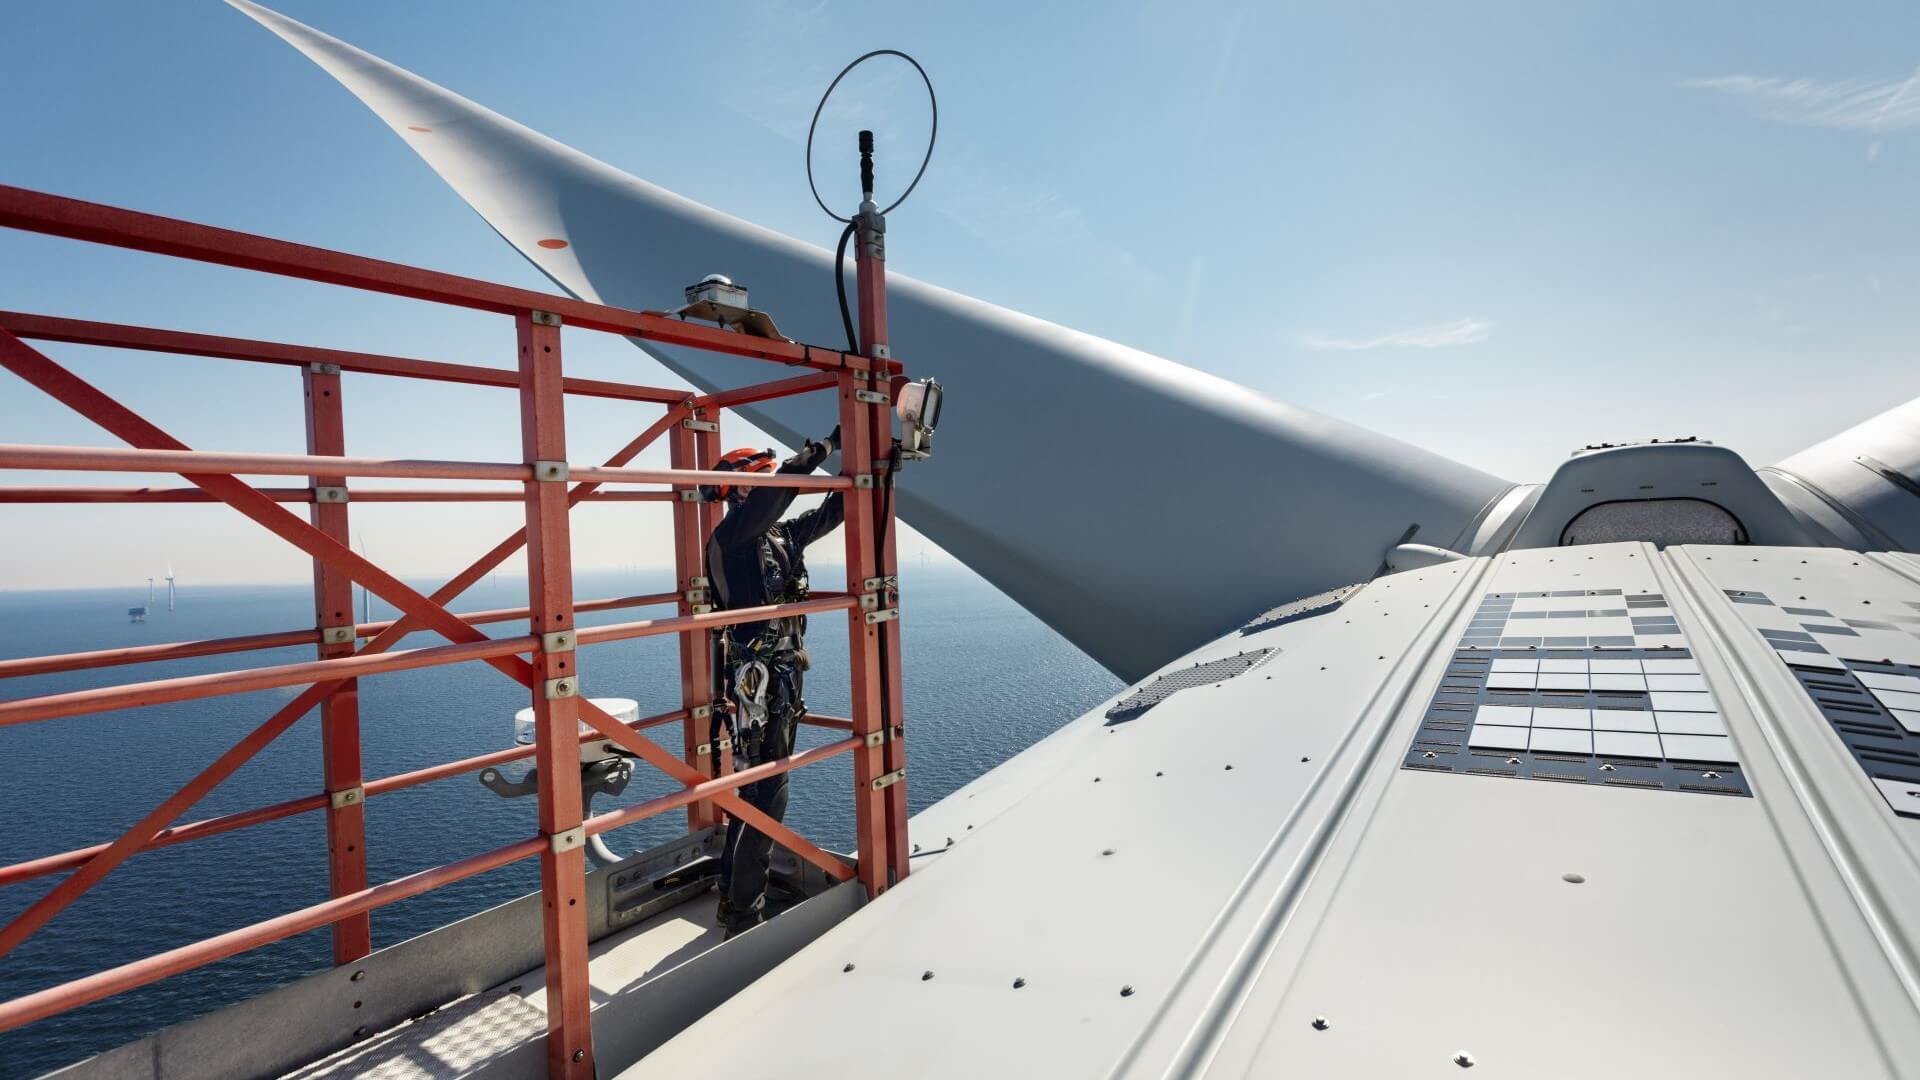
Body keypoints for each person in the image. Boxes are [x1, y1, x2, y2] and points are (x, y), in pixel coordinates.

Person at [706, 427, 842, 936]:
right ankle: (744, 911)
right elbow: (783, 487)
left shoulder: (778, 536)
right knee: (767, 791)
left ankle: (736, 898)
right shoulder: (733, 537)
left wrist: (879, 469)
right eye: (759, 483)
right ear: (742, 490)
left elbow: (830, 513)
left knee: (762, 787)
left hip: (777, 677)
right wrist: (824, 447)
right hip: (757, 680)